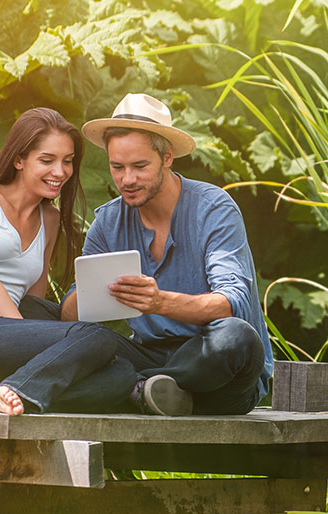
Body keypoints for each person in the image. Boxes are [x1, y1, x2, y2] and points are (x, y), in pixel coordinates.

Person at [61, 93, 273, 415]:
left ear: (168, 157)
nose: (127, 180)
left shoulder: (213, 208)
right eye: (117, 167)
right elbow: (70, 315)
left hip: (217, 373)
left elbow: (233, 303)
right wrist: (91, 296)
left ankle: (136, 387)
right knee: (58, 327)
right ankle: (150, 391)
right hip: (151, 354)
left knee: (237, 337)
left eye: (140, 166)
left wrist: (160, 302)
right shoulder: (107, 222)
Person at [0, 107, 135, 415]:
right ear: (18, 160)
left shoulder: (50, 218)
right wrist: (35, 344)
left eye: (68, 161)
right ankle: (15, 388)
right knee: (95, 336)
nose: (60, 171)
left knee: (121, 374)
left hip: (6, 327)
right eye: (47, 160)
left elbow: (32, 301)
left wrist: (34, 340)